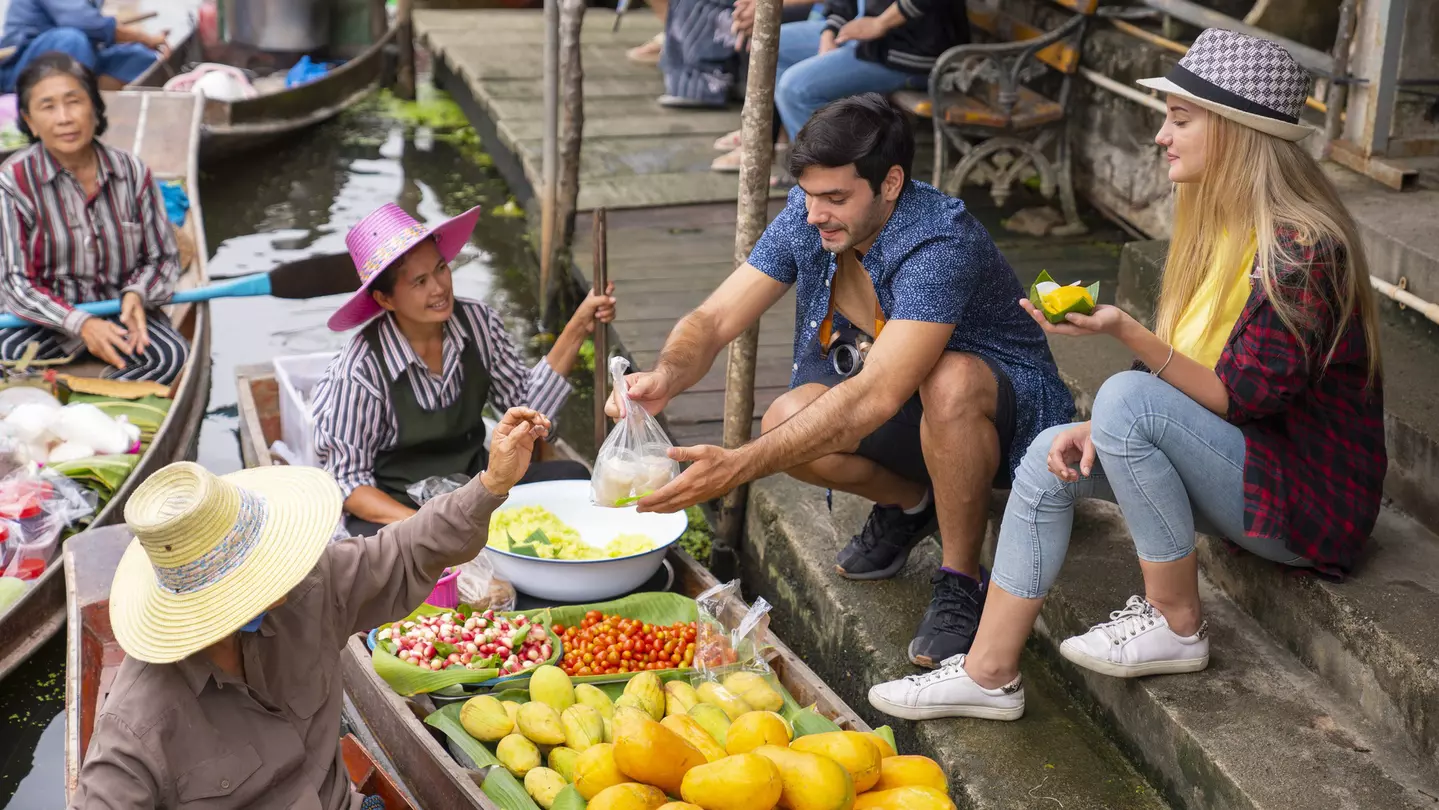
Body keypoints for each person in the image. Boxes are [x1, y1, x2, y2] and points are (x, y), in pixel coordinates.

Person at [866, 29, 1386, 722]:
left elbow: (1244, 397)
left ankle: (1174, 621)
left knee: (1124, 396)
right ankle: (988, 673)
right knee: (1050, 454)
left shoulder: (1301, 249)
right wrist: (1092, 427)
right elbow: (1181, 385)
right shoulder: (1220, 227)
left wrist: (1119, 330)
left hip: (1303, 502)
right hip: (1245, 469)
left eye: (1177, 120)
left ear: (1232, 132)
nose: (1159, 137)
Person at [609, 94, 1073, 665]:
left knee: (949, 379)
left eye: (834, 197)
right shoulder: (813, 218)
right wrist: (665, 376)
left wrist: (740, 463)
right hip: (905, 410)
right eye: (808, 195)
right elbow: (714, 318)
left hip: (1011, 428)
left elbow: (875, 396)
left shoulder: (940, 242)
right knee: (786, 419)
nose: (814, 213)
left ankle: (960, 577)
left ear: (891, 183)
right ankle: (914, 504)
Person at [68, 407, 552, 808]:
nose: (284, 565)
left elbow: (402, 552)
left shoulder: (308, 587)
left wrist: (490, 484)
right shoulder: (136, 728)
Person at [312, 202, 616, 535]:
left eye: (441, 268)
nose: (439, 288)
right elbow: (348, 483)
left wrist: (579, 324)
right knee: (368, 552)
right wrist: (429, 528)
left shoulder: (479, 323)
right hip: (401, 511)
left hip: (476, 490)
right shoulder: (360, 368)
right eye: (420, 282)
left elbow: (530, 410)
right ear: (385, 299)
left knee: (572, 475)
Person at [0, 53, 186, 384]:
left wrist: (137, 292)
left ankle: (101, 400)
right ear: (30, 121)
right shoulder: (13, 182)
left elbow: (163, 259)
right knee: (8, 355)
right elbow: (16, 284)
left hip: (120, 312)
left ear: (94, 108)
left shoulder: (131, 172)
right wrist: (80, 324)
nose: (65, 118)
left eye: (74, 102)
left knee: (171, 356)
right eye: (48, 107)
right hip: (48, 320)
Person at [711, 0, 968, 174]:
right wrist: (829, 32)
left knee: (796, 89)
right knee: (770, 43)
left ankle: (828, 176)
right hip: (863, 35)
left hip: (908, 50)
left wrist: (880, 23)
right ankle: (769, 146)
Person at [0, 0, 167, 94]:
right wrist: (144, 38)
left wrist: (142, 43)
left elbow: (97, 28)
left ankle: (113, 106)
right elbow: (87, 24)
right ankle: (74, 106)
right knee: (72, 39)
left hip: (79, 59)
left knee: (139, 57)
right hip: (23, 67)